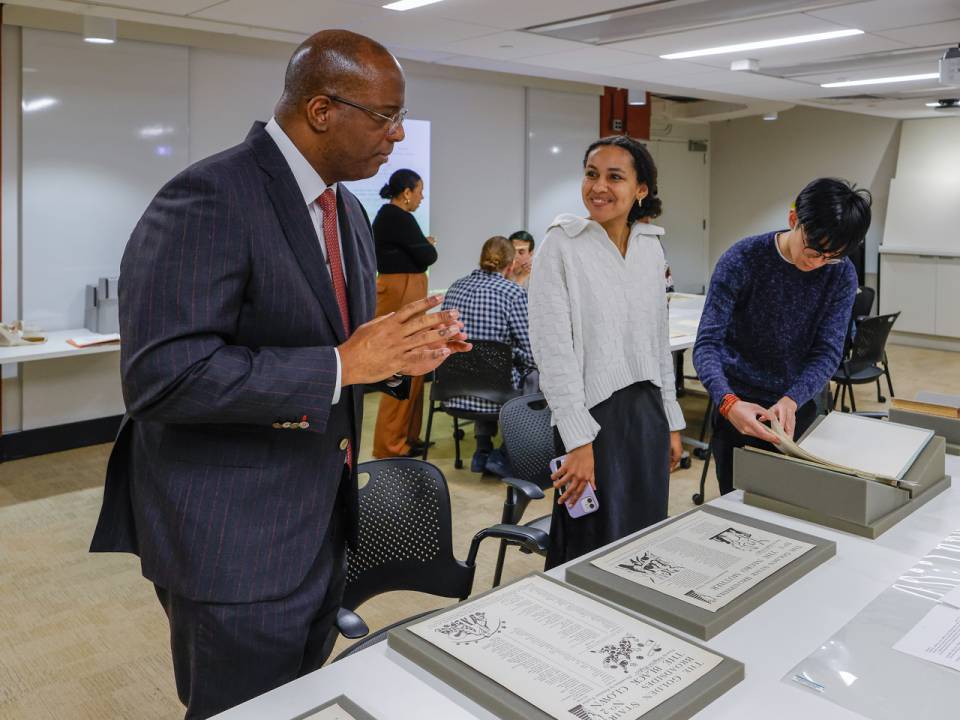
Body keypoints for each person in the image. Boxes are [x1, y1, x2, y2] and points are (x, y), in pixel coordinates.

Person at [89, 30, 470, 720]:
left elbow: (340, 350)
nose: (399, 135)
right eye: (385, 117)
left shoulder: (346, 209)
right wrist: (341, 364)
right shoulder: (210, 195)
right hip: (232, 536)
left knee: (300, 700)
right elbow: (160, 377)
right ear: (322, 110)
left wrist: (401, 355)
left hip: (320, 519)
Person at [528, 135, 685, 569]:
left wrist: (671, 420)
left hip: (646, 414)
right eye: (592, 174)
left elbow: (657, 340)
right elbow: (551, 349)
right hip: (590, 420)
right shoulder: (561, 244)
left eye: (615, 177)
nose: (599, 186)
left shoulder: (650, 246)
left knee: (644, 541)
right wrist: (577, 440)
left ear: (640, 190)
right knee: (589, 545)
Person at [693, 178, 870, 496]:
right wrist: (728, 401)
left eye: (830, 256)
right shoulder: (743, 259)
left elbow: (828, 350)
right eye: (814, 250)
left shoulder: (840, 272)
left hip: (797, 406)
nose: (817, 262)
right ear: (793, 220)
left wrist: (792, 399)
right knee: (739, 512)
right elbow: (707, 345)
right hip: (737, 408)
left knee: (798, 506)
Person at [442, 236, 535, 476]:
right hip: (497, 395)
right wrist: (511, 354)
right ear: (511, 264)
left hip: (453, 392)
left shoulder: (454, 288)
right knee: (533, 372)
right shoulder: (513, 294)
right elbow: (531, 351)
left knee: (483, 365)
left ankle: (482, 449)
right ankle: (503, 453)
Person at [371, 168, 437, 458]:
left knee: (415, 366)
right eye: (420, 190)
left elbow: (422, 253)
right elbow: (428, 255)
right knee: (400, 367)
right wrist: (426, 245)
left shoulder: (394, 218)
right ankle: (391, 445)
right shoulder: (396, 217)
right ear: (407, 192)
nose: (422, 197)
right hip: (401, 293)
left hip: (406, 291)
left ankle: (407, 437)